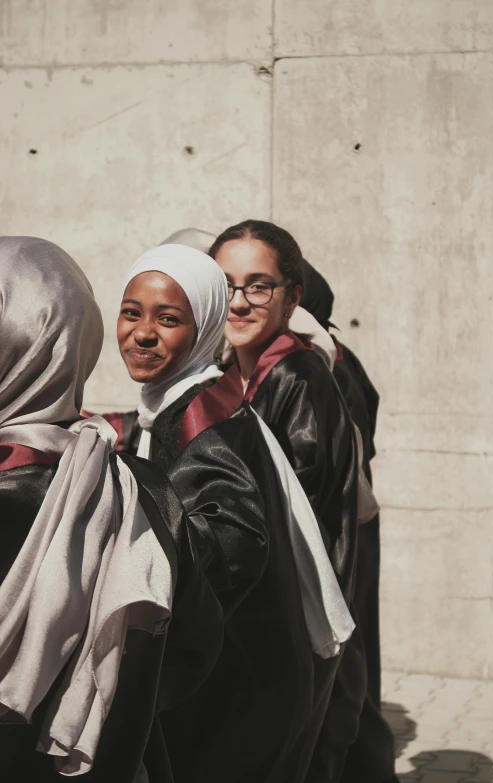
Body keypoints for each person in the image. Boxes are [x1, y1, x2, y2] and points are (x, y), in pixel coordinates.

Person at [112, 242, 353, 783]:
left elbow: (233, 546)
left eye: (169, 319)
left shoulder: (198, 416)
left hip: (236, 684)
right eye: (131, 312)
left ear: (203, 328)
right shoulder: (189, 395)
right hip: (247, 673)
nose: (143, 333)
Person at [0, 237, 222, 783]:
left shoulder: (208, 426)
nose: (144, 333)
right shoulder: (138, 489)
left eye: (169, 317)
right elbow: (196, 641)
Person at [211, 219, 398, 783]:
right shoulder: (236, 372)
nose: (239, 301)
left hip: (291, 630)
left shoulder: (297, 375)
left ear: (292, 296)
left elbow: (291, 523)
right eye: (225, 285)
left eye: (258, 285)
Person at [299, 257, 382, 707]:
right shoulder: (334, 353)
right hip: (355, 521)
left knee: (347, 667)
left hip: (340, 524)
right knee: (358, 655)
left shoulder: (313, 363)